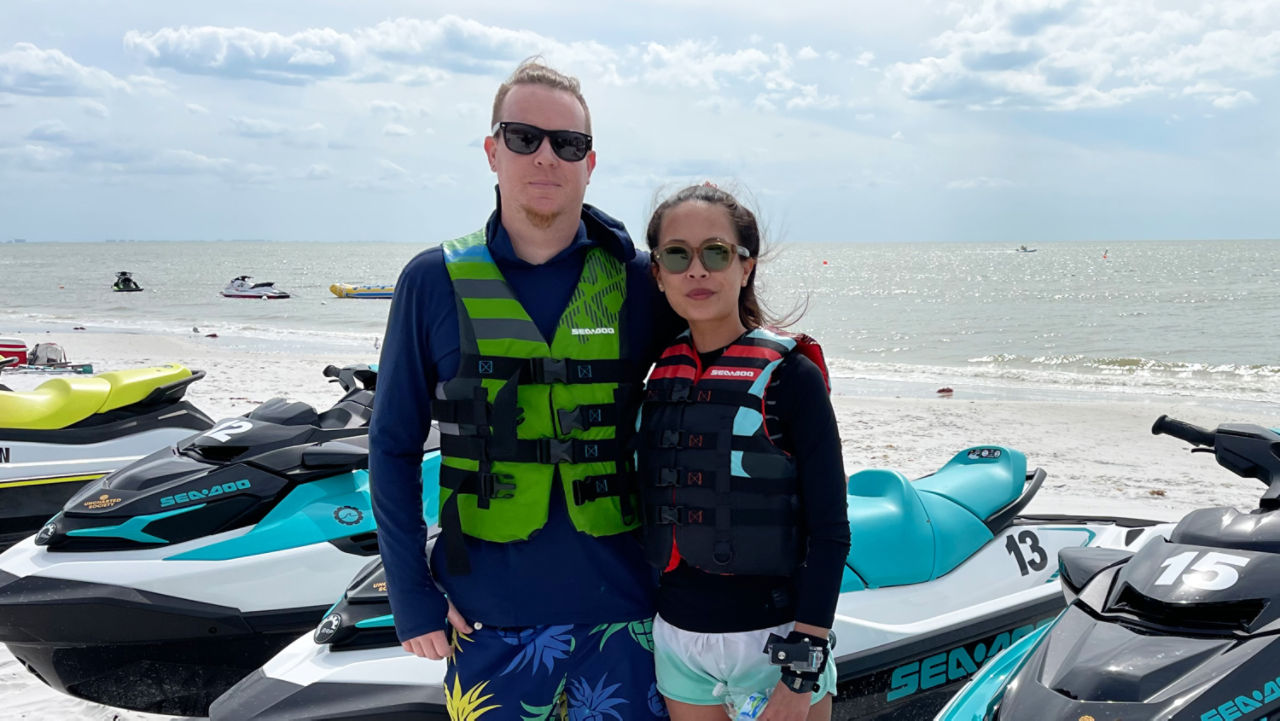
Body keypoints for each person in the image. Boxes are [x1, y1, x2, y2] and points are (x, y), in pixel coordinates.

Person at [370, 59, 679, 719]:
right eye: (523, 138)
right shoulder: (432, 281)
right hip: (487, 623)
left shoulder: (643, 283)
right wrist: (410, 591)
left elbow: (730, 366)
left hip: (626, 617)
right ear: (492, 150)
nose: (546, 157)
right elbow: (392, 444)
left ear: (590, 163)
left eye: (567, 144)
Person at [636, 184, 850, 721]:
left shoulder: (791, 376)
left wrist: (802, 668)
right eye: (677, 255)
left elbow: (830, 531)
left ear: (745, 265)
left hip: (773, 642)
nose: (697, 271)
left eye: (716, 252)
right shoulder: (653, 376)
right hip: (678, 641)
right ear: (657, 273)